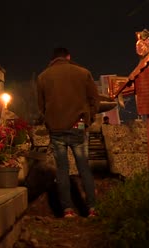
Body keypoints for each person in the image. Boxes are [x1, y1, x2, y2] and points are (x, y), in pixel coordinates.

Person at [37, 47, 99, 218]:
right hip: (78, 125)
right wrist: (88, 119)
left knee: (62, 170)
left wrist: (49, 121)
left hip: (56, 128)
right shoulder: (83, 73)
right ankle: (92, 209)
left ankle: (68, 210)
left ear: (53, 59)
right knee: (84, 168)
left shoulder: (42, 77)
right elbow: (95, 100)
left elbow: (41, 108)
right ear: (68, 57)